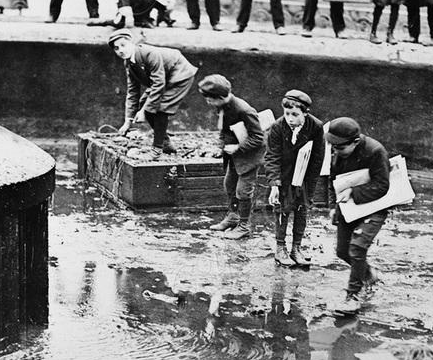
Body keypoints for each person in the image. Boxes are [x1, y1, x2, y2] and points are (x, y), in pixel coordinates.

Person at [325, 117, 390, 313]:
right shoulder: (337, 153)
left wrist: (354, 191)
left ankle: (352, 296)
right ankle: (368, 273)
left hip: (374, 206)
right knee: (342, 251)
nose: (335, 152)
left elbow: (382, 185)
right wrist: (333, 206)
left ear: (354, 142)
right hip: (348, 206)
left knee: (357, 247)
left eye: (340, 148)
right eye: (333, 147)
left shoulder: (375, 151)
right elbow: (332, 181)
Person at [108, 29, 198, 153]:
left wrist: (144, 111)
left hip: (179, 73)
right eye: (116, 48)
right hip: (163, 77)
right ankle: (165, 142)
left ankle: (157, 149)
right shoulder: (128, 63)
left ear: (132, 42)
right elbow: (133, 91)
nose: (121, 50)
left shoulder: (149, 53)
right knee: (144, 102)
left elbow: (158, 84)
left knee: (159, 107)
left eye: (123, 45)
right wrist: (128, 120)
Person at [198, 74, 265, 240]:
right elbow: (225, 130)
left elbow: (258, 138)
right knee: (229, 185)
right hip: (234, 156)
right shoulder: (223, 106)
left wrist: (238, 147)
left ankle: (244, 225)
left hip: (249, 156)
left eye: (210, 100)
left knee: (243, 191)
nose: (208, 103)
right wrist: (220, 147)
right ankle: (233, 216)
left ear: (221, 97)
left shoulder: (244, 110)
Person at [264, 90, 325, 267]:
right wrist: (275, 184)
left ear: (305, 113)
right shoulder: (277, 127)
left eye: (295, 114)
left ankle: (296, 247)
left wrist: (311, 186)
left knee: (302, 209)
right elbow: (272, 156)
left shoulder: (315, 127)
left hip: (304, 176)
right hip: (283, 175)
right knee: (282, 209)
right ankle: (280, 247)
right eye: (287, 113)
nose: (290, 118)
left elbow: (317, 158)